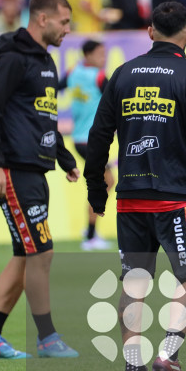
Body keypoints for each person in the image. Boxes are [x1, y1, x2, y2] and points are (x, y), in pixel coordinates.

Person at [85, 1, 186, 371]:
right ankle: (168, 353)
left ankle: (133, 370)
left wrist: (95, 190)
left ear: (150, 31)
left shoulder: (122, 74)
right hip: (176, 197)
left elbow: (98, 135)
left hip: (131, 198)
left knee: (134, 280)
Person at [0, 0, 80, 359]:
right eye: (64, 22)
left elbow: (43, 118)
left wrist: (65, 158)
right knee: (42, 252)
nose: (68, 29)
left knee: (25, 254)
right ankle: (47, 338)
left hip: (36, 169)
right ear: (42, 19)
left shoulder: (45, 62)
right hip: (15, 171)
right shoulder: (14, 59)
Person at [66, 40, 113, 250]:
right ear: (87, 55)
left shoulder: (72, 72)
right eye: (100, 54)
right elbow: (118, 98)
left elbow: (53, 87)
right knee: (105, 182)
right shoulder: (99, 77)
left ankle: (90, 231)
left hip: (79, 138)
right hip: (91, 140)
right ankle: (90, 235)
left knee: (105, 182)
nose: (104, 58)